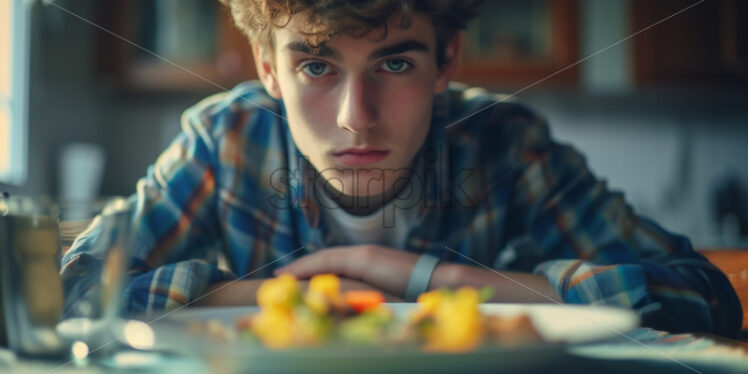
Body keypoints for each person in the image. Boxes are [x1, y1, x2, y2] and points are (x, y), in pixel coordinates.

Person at [61, 0, 741, 337]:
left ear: (447, 61)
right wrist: (306, 296)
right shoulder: (227, 139)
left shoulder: (507, 143)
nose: (358, 117)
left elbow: (703, 299)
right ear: (269, 68)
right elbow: (74, 289)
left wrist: (434, 281)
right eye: (317, 66)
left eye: (394, 63)